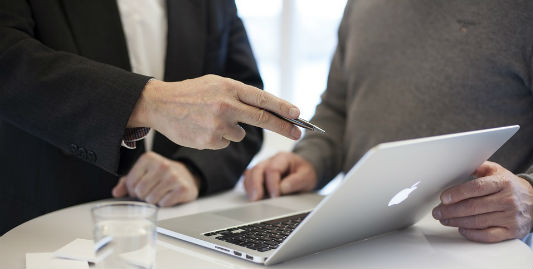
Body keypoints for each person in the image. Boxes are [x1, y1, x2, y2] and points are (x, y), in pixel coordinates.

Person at [0, 0, 303, 235]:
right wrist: (147, 101)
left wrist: (193, 170)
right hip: (40, 228)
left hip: (176, 235)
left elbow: (243, 108)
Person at [244, 0, 533, 244]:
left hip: (474, 247)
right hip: (360, 238)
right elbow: (338, 107)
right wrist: (310, 161)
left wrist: (530, 195)